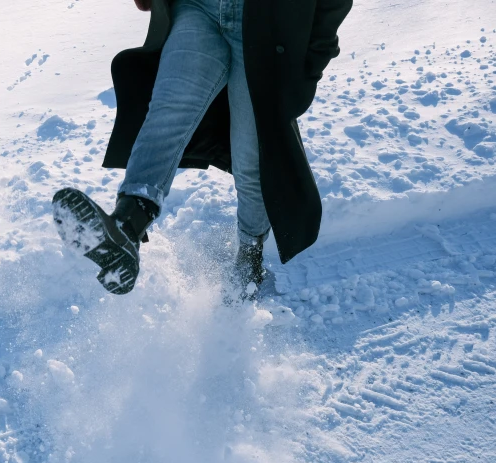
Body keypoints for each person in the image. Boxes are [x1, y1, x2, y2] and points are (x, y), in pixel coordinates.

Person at [52, 0, 352, 298]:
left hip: (265, 26)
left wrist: (312, 61)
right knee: (169, 108)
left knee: (251, 159)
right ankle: (127, 227)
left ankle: (249, 259)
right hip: (199, 7)